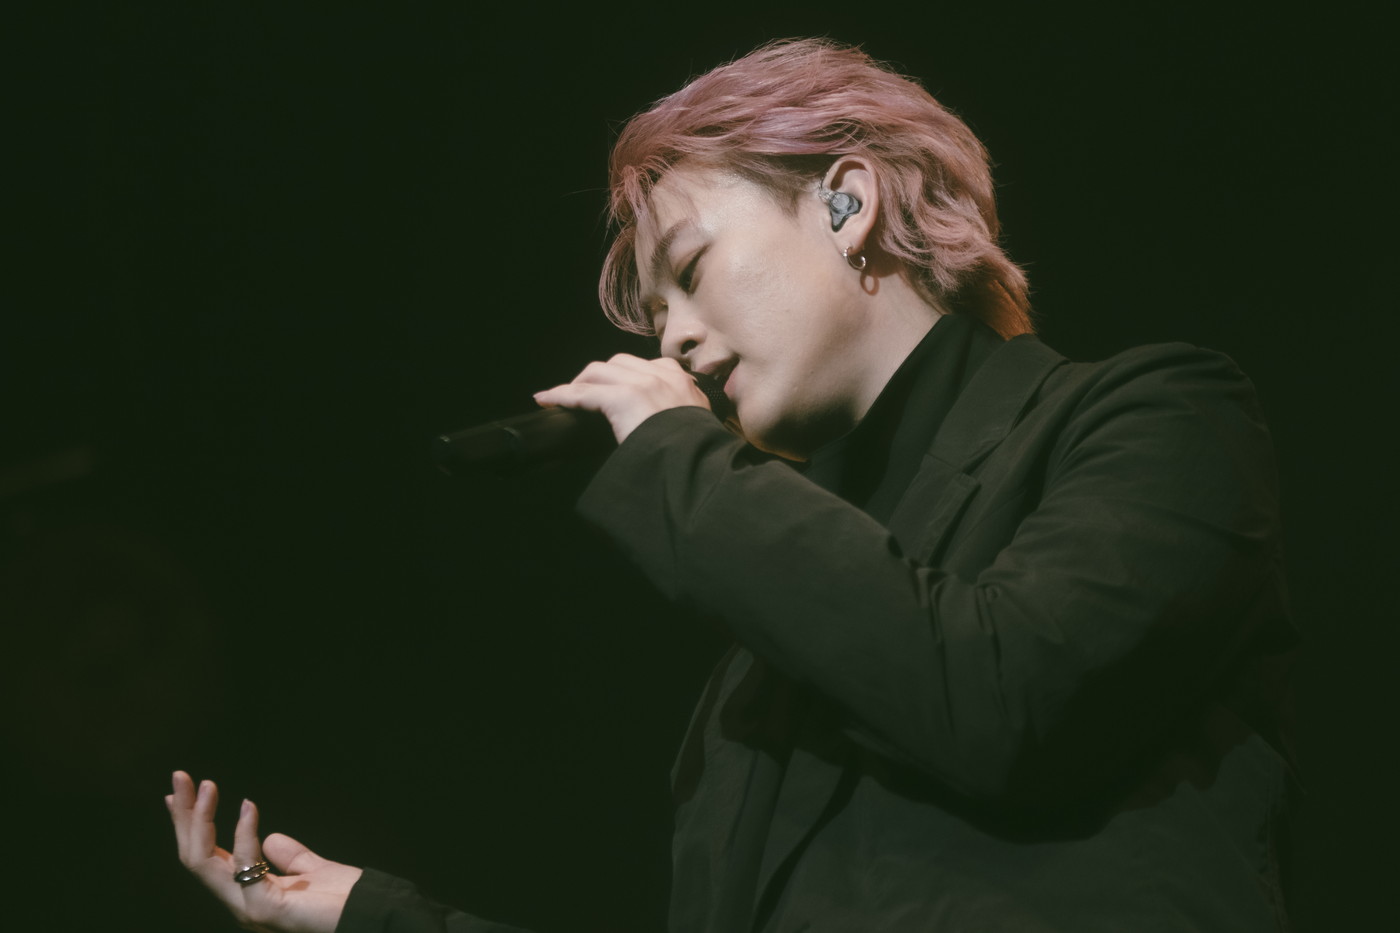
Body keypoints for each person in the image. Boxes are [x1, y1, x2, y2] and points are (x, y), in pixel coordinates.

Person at [169, 38, 1297, 932]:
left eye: (692, 271)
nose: (674, 340)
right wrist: (379, 919)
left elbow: (1007, 702)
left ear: (848, 202)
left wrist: (676, 451)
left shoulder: (1150, 415)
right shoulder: (758, 683)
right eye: (656, 314)